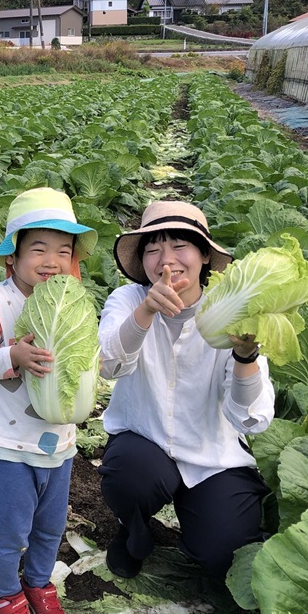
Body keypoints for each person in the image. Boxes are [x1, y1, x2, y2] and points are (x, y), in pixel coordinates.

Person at [98, 200, 275, 579]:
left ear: (204, 256)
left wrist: (245, 357)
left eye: (180, 246)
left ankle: (199, 525)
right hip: (144, 442)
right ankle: (134, 531)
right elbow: (109, 364)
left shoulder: (231, 313)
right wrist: (145, 313)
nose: (167, 260)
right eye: (153, 249)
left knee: (223, 554)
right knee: (131, 477)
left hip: (212, 456)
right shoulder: (128, 300)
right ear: (141, 261)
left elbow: (248, 418)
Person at [0, 187, 98, 614]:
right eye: (38, 248)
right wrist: (11, 356)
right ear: (13, 256)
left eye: (64, 251)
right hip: (6, 443)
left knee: (50, 526)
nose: (51, 260)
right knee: (10, 531)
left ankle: (39, 584)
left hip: (59, 442)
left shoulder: (72, 301)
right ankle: (4, 594)